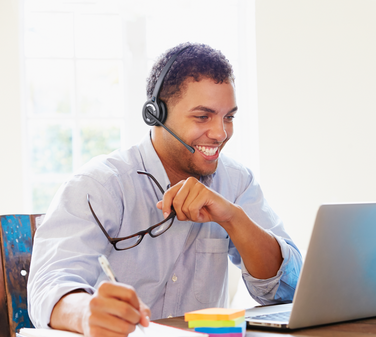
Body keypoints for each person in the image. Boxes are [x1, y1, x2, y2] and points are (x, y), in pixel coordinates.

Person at [27, 42, 302, 337]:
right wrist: (85, 313)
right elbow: (50, 286)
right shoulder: (99, 185)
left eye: (229, 117)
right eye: (202, 116)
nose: (221, 133)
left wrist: (233, 218)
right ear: (155, 114)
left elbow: (288, 289)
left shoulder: (236, 181)